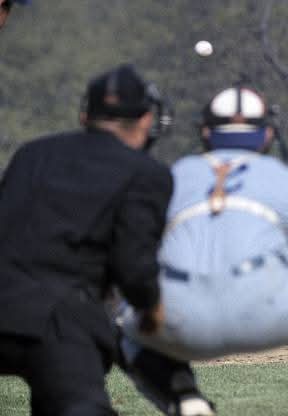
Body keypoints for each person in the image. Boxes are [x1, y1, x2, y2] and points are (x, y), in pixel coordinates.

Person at [117, 85, 288, 416]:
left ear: (206, 133)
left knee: (123, 322)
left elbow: (136, 253)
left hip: (183, 320)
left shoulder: (178, 173)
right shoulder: (279, 176)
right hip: (266, 312)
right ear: (267, 135)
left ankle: (185, 400)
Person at [0, 64, 173, 416]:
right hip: (60, 319)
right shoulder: (146, 173)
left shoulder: (31, 154)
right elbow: (134, 268)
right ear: (144, 120)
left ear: (85, 114)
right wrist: (153, 309)